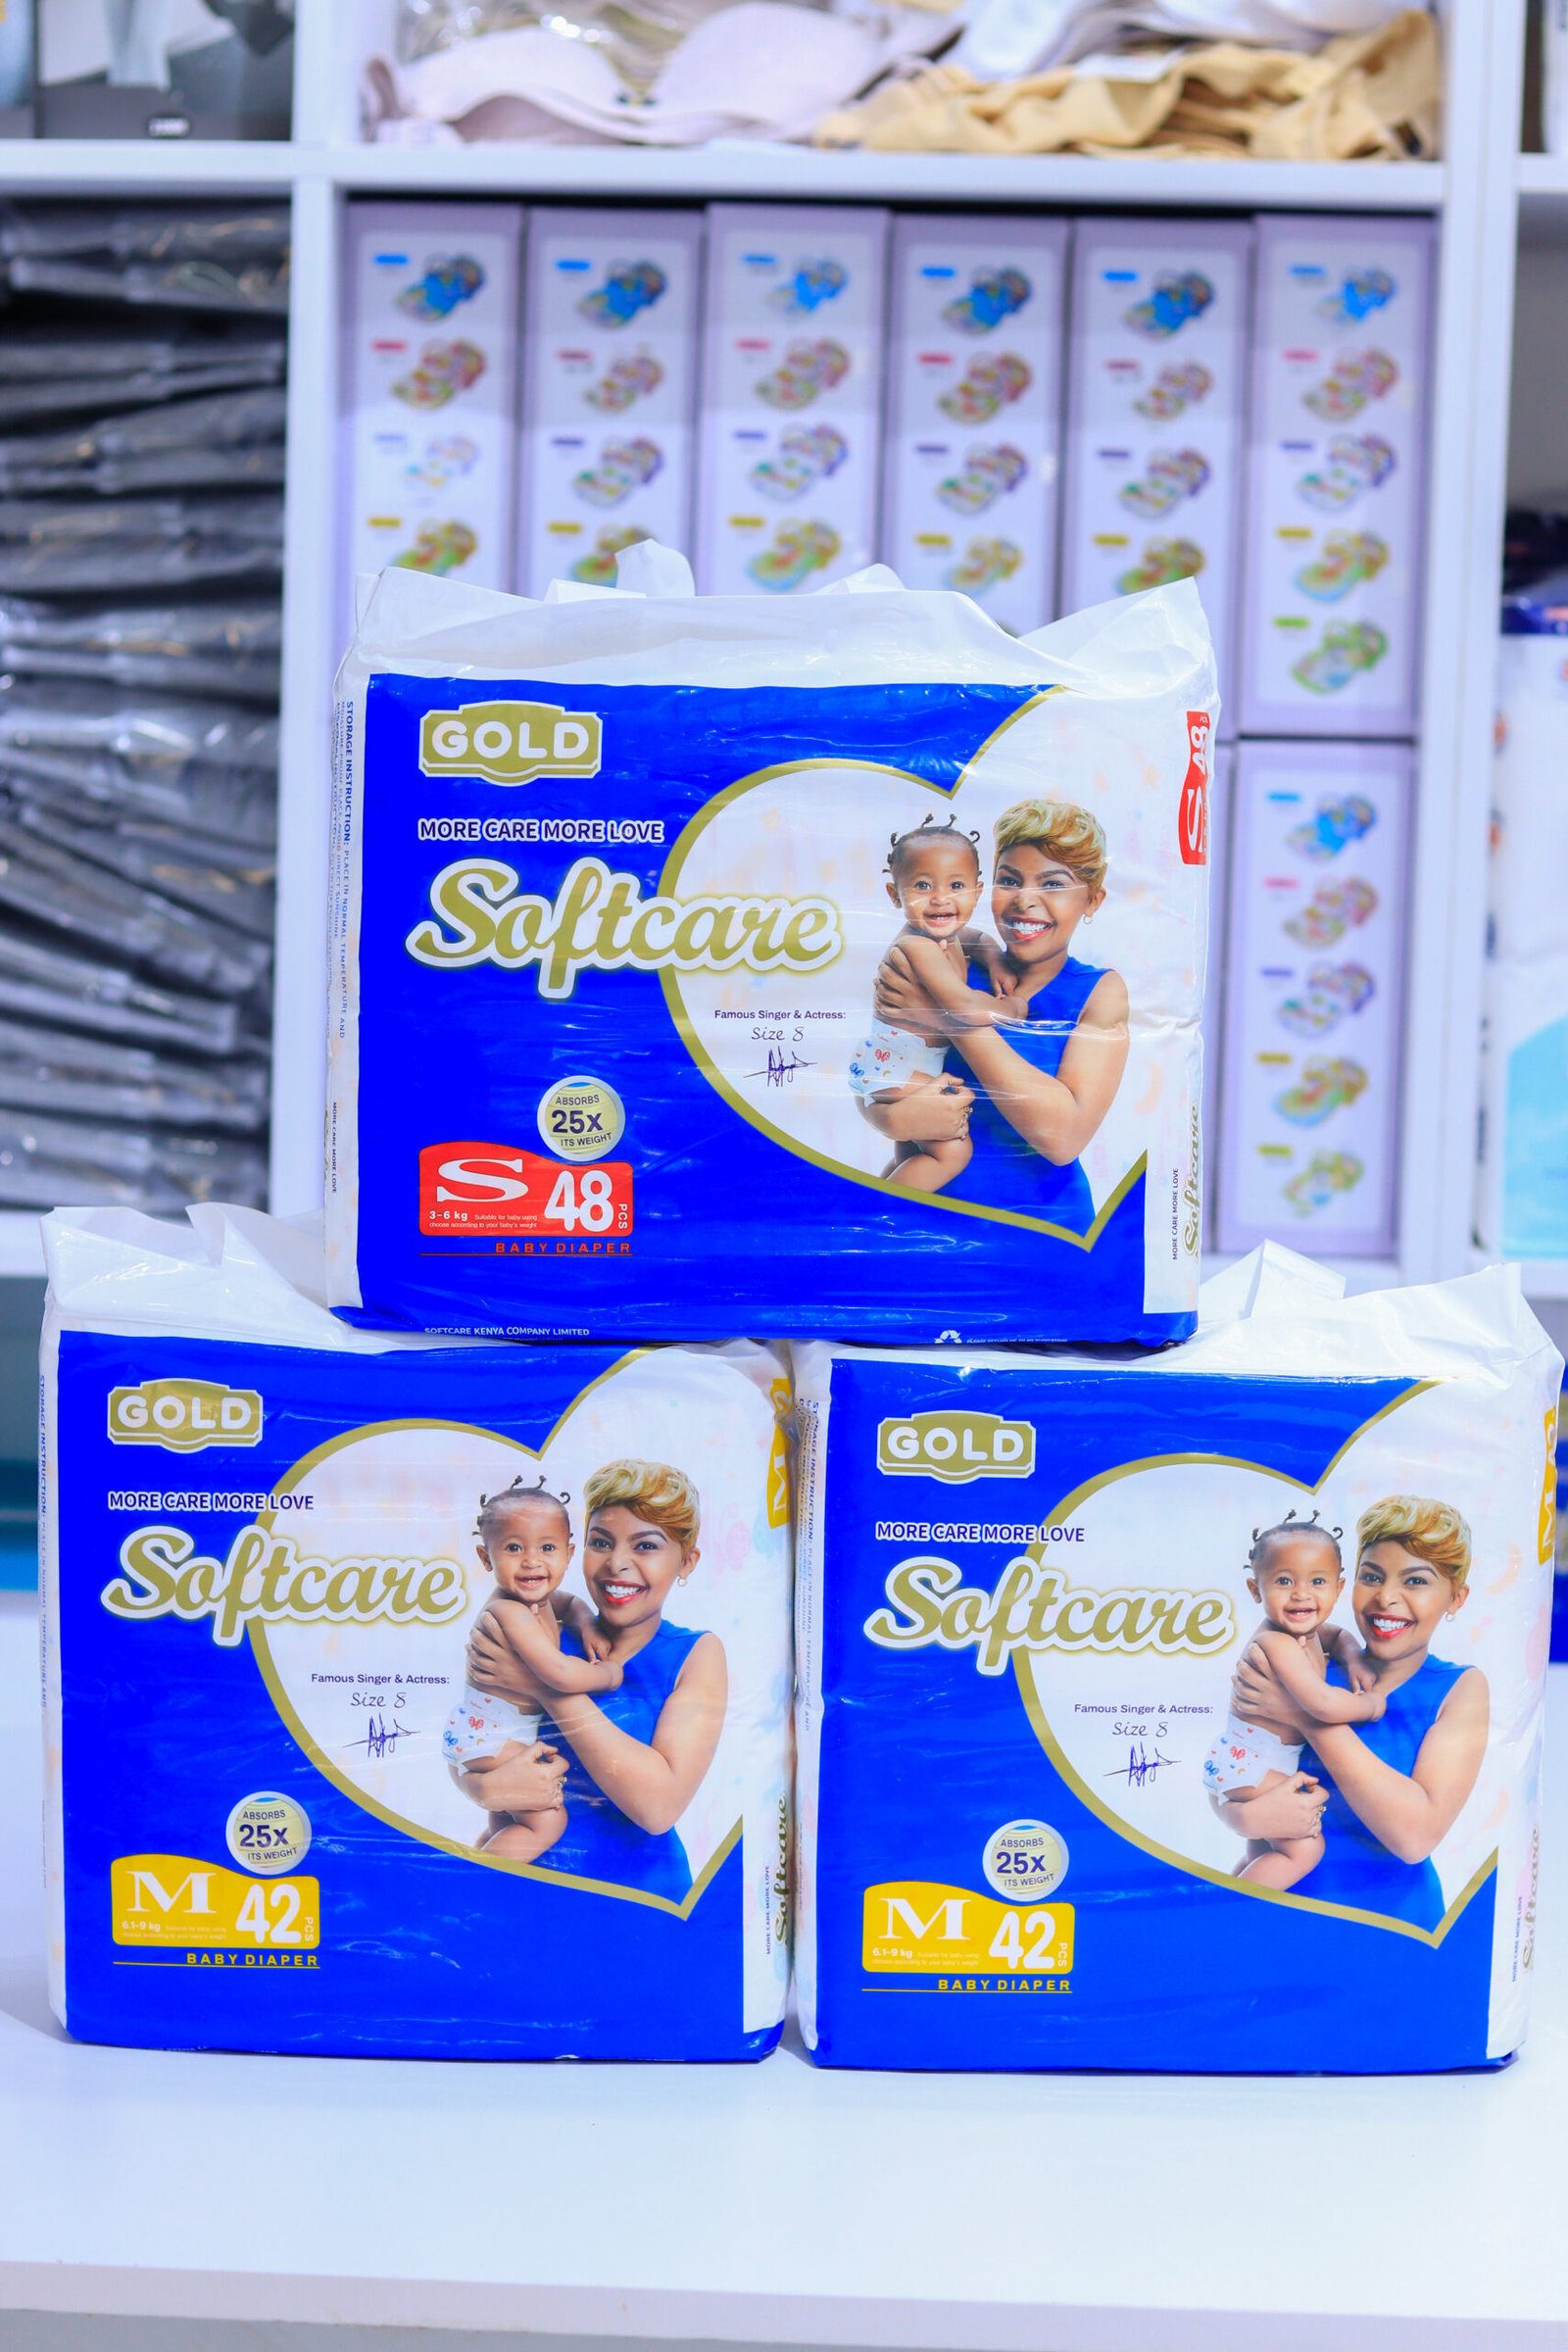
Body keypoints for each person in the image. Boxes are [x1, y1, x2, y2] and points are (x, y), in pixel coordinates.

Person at [459, 1457, 725, 1901]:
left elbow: (658, 1808)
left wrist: (545, 1688)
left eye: (645, 1546)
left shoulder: (695, 1654)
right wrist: (477, 1787)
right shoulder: (536, 1629)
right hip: (524, 1896)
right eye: (600, 1542)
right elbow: (475, 1732)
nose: (617, 1563)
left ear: (687, 1562)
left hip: (639, 1905)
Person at [1217, 1495, 1489, 1931]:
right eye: (1372, 1576)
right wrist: (1241, 1818)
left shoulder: (1458, 1689)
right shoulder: (1304, 1660)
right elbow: (1232, 1766)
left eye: (1415, 1581)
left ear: (1456, 1598)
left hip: (1391, 1933)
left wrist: (1307, 1718)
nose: (1387, 1597)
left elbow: (1415, 1837)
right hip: (1280, 1925)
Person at [866, 799, 1128, 1232]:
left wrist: (950, 1021)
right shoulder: (945, 958)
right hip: (926, 1230)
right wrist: (889, 1119)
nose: (1025, 899)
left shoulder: (1099, 992)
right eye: (1009, 880)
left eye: (1053, 884)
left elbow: (1063, 1139)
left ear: (1092, 901)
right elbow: (879, 1068)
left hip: (1041, 1235)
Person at [441, 1476, 620, 1864]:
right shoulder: (509, 1610)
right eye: (513, 1547)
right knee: (547, 1821)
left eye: (547, 1547)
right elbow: (559, 1674)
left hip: (488, 1732)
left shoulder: (541, 1599)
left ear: (568, 1554)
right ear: (485, 1557)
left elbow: (570, 1603)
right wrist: (608, 1675)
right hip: (491, 1737)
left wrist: (586, 1624)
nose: (532, 1560)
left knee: (506, 1822)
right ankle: (479, 1882)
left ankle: (478, 1862)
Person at [1201, 1512, 1382, 1889]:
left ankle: (1227, 1895)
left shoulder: (1311, 1631)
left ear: (1338, 1588)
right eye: (1284, 1581)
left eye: (1317, 1581)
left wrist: (1352, 1657)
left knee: (1260, 1853)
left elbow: (1338, 1636)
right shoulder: (1276, 1641)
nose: (1301, 1593)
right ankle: (1234, 1911)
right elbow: (1323, 1704)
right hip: (1250, 1764)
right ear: (1256, 1589)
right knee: (1305, 1847)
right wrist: (1371, 1705)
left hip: (1248, 1761)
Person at [847, 813, 1004, 1194]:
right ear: (894, 894)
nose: (940, 898)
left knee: (911, 1153)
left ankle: (880, 1199)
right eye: (922, 885)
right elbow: (965, 1009)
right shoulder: (918, 946)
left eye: (956, 885)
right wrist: (1012, 1008)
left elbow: (978, 938)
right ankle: (885, 1214)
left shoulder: (949, 935)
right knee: (952, 1150)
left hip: (901, 1064)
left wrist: (994, 957)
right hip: (896, 1067)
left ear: (977, 892)